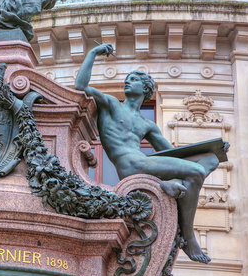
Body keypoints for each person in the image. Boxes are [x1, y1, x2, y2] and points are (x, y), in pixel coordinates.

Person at [75, 43, 225, 264]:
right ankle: (188, 235)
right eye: (127, 79)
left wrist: (213, 150)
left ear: (146, 90)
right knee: (195, 171)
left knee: (209, 160)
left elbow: (173, 154)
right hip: (130, 165)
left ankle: (167, 184)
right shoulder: (111, 104)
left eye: (134, 79)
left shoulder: (147, 125)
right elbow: (80, 85)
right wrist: (93, 53)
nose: (128, 81)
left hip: (143, 162)